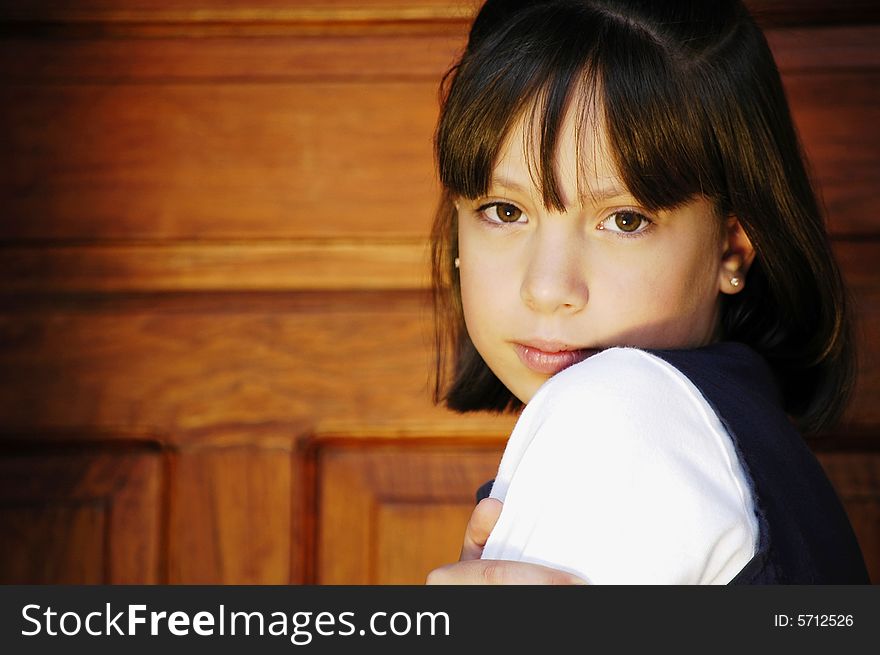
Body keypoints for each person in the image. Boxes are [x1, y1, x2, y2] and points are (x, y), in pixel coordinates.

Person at [424, 0, 870, 584]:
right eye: (504, 211)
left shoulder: (620, 412)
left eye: (626, 220)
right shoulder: (745, 439)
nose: (548, 288)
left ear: (731, 247)